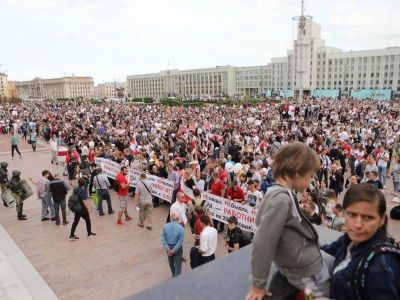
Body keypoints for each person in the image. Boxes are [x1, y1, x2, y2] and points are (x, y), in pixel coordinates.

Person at [246, 142, 330, 300]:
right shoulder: (280, 200)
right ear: (298, 172)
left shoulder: (280, 193)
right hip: (307, 274)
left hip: (300, 266)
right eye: (310, 175)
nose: (311, 180)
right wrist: (258, 284)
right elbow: (263, 243)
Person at [321, 184, 400, 299]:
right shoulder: (348, 239)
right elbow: (326, 250)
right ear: (344, 213)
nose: (357, 225)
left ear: (381, 220)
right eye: (352, 214)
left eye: (367, 217)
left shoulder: (381, 264)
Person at [161, 211, 185, 277]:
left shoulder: (165, 226)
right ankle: (177, 277)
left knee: (171, 263)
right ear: (177, 218)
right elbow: (180, 242)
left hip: (168, 247)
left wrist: (168, 249)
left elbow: (163, 238)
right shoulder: (181, 228)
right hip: (177, 248)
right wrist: (173, 250)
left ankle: (173, 274)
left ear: (171, 218)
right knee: (178, 264)